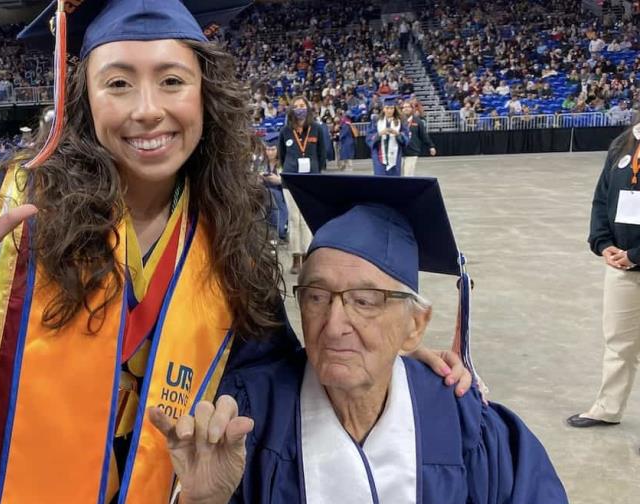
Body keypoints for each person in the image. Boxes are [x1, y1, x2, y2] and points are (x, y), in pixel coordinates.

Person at [0, 2, 468, 503]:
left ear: (204, 95)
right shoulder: (9, 196)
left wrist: (387, 350)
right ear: (82, 98)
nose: (147, 111)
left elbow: (269, 374)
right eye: (117, 84)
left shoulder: (229, 234)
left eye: (171, 81)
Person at [151, 174, 569, 504]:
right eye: (316, 297)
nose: (334, 324)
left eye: (365, 301)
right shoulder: (249, 416)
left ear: (415, 326)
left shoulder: (463, 423)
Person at [568, 121, 640, 429]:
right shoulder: (623, 143)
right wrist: (603, 242)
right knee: (618, 340)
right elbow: (601, 197)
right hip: (621, 265)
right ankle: (608, 408)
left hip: (632, 258)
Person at [278, 95, 326, 274]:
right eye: (296, 106)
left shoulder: (317, 129)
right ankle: (296, 257)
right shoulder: (285, 131)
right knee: (293, 219)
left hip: (311, 180)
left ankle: (308, 255)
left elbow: (322, 154)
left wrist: (316, 173)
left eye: (302, 105)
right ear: (291, 110)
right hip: (291, 179)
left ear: (307, 107)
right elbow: (282, 155)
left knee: (306, 218)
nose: (299, 108)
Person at [367, 96, 410, 176]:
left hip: (395, 155)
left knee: (394, 181)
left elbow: (406, 138)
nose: (389, 111)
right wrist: (379, 134)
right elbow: (369, 137)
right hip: (379, 156)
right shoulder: (376, 121)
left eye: (391, 108)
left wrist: (397, 134)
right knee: (380, 180)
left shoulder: (401, 121)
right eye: (387, 108)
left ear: (394, 109)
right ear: (383, 109)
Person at [258, 132, 287, 242]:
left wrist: (279, 181)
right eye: (268, 149)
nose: (270, 152)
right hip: (264, 195)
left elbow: (289, 182)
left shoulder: (284, 163)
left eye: (273, 149)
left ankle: (280, 229)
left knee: (274, 194)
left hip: (281, 195)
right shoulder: (261, 163)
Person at [401, 100, 437, 176]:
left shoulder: (418, 121)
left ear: (412, 108)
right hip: (399, 151)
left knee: (408, 175)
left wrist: (431, 146)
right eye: (404, 107)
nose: (406, 109)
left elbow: (424, 135)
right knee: (398, 175)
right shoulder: (398, 121)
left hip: (412, 151)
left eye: (408, 107)